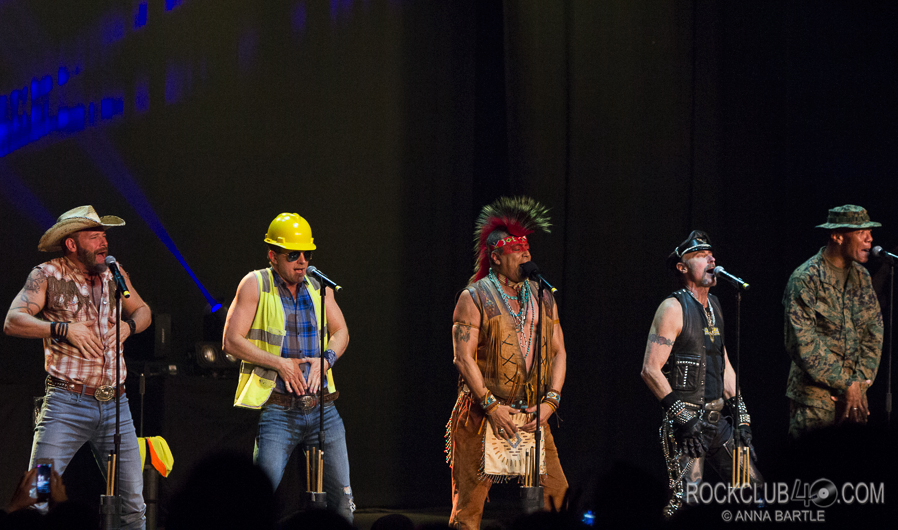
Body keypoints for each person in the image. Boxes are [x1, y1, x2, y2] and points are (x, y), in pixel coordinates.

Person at [3, 205, 151, 529]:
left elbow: (143, 310)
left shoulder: (114, 272)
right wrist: (63, 329)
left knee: (133, 506)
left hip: (116, 406)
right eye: (94, 236)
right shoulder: (46, 274)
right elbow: (13, 321)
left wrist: (129, 327)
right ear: (72, 243)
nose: (103, 242)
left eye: (104, 235)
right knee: (38, 495)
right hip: (65, 405)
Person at [222, 212, 354, 521]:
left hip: (323, 410)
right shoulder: (256, 284)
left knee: (343, 503)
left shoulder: (319, 286)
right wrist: (279, 364)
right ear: (273, 256)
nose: (302, 261)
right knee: (258, 501)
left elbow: (341, 332)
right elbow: (230, 341)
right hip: (279, 412)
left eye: (306, 254)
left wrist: (326, 360)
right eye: (293, 255)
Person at [446, 197, 568, 530]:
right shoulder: (474, 296)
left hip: (532, 414)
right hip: (482, 413)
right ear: (496, 257)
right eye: (516, 249)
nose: (526, 254)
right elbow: (462, 357)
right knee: (469, 508)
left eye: (527, 248)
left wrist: (551, 402)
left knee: (557, 499)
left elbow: (559, 352)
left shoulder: (543, 296)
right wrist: (490, 405)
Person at [640, 230, 761, 518]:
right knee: (687, 503)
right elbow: (650, 370)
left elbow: (723, 363)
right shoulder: (673, 307)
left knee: (754, 489)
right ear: (682, 267)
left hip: (717, 421)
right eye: (701, 255)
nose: (711, 259)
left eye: (711, 254)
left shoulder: (715, 305)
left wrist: (742, 417)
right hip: (688, 426)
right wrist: (685, 419)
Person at [784, 205, 883, 437]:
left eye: (870, 232)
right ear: (838, 236)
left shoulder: (862, 276)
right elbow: (802, 344)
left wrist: (860, 383)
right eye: (860, 232)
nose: (869, 239)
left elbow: (873, 333)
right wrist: (846, 383)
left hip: (855, 401)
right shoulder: (806, 278)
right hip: (816, 402)